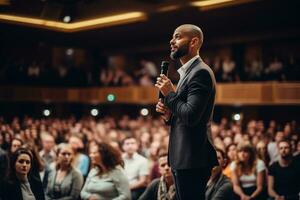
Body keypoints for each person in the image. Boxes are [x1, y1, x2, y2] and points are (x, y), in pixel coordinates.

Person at [155, 24, 218, 199]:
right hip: (184, 157)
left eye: (177, 37)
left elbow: (191, 116)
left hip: (193, 159)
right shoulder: (188, 73)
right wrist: (170, 115)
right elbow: (185, 115)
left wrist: (170, 93)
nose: (171, 41)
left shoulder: (201, 72)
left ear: (194, 41)